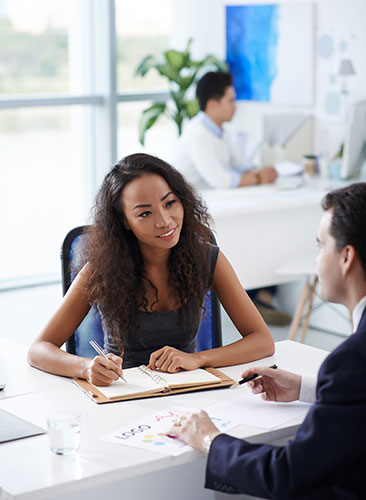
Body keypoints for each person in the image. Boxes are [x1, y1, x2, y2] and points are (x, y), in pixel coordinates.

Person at [167, 182, 366, 499]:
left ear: (346, 257)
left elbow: (287, 476)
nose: (316, 261)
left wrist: (209, 439)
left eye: (320, 246)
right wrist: (305, 387)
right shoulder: (351, 367)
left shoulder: (352, 359)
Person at [28, 153, 274, 387]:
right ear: (124, 221)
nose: (165, 220)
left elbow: (262, 340)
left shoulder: (207, 259)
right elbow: (39, 349)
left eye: (170, 203)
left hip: (188, 392)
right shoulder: (101, 270)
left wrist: (198, 359)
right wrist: (86, 367)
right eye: (145, 213)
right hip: (124, 395)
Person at [175, 70, 290, 326]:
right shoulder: (198, 134)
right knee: (246, 236)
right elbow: (222, 179)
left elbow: (241, 165)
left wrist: (259, 173)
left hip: (221, 206)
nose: (235, 106)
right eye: (230, 100)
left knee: (261, 227)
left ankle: (260, 294)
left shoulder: (221, 131)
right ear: (213, 104)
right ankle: (254, 297)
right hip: (197, 213)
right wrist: (257, 177)